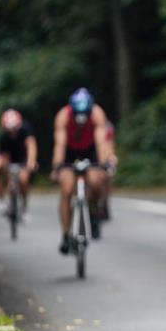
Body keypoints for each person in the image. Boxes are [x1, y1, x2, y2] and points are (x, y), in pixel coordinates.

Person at [51, 88, 111, 254]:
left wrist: (104, 163)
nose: (81, 119)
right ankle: (65, 234)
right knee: (66, 189)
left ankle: (93, 212)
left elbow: (101, 141)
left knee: (96, 182)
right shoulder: (63, 115)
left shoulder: (97, 113)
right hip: (70, 151)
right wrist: (57, 165)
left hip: (90, 151)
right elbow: (60, 144)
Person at [0, 109, 38, 218]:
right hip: (9, 157)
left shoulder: (26, 129)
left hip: (23, 157)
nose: (12, 132)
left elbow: (31, 146)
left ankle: (24, 205)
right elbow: (3, 155)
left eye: (15, 129)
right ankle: (1, 200)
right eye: (9, 130)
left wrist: (31, 163)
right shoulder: (2, 136)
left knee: (23, 179)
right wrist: (3, 168)